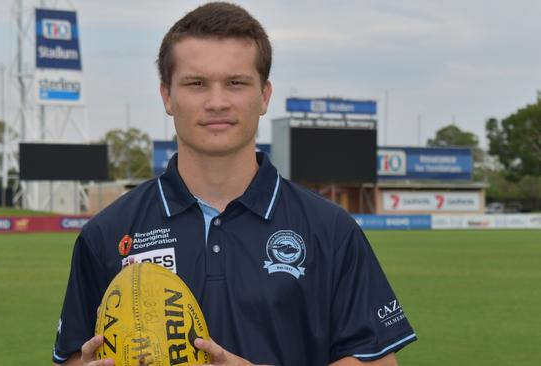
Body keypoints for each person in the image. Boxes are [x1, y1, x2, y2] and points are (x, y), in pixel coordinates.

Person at [52, 2, 416, 365]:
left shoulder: (331, 230)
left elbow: (377, 361)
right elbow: (73, 355)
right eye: (196, 84)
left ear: (264, 96)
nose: (217, 102)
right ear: (166, 95)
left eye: (236, 83)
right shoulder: (108, 233)